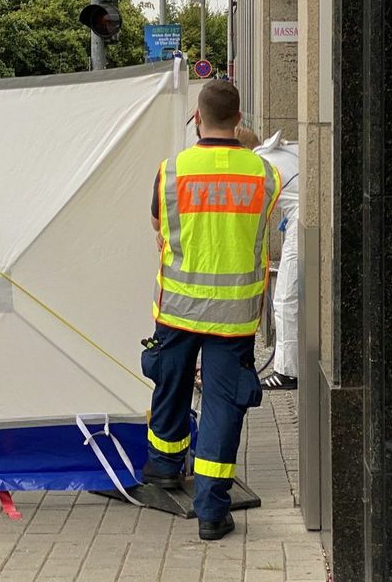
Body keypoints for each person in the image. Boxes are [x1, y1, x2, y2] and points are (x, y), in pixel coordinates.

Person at [142, 80, 281, 541]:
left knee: (171, 383)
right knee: (224, 407)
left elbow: (160, 225)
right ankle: (211, 511)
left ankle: (163, 468)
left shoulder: (172, 170)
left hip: (178, 307)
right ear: (239, 120)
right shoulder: (265, 175)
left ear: (197, 118)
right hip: (234, 316)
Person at [253, 133, 299, 390]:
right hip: (306, 213)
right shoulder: (281, 150)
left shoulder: (257, 165)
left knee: (284, 298)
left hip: (303, 218)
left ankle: (287, 372)